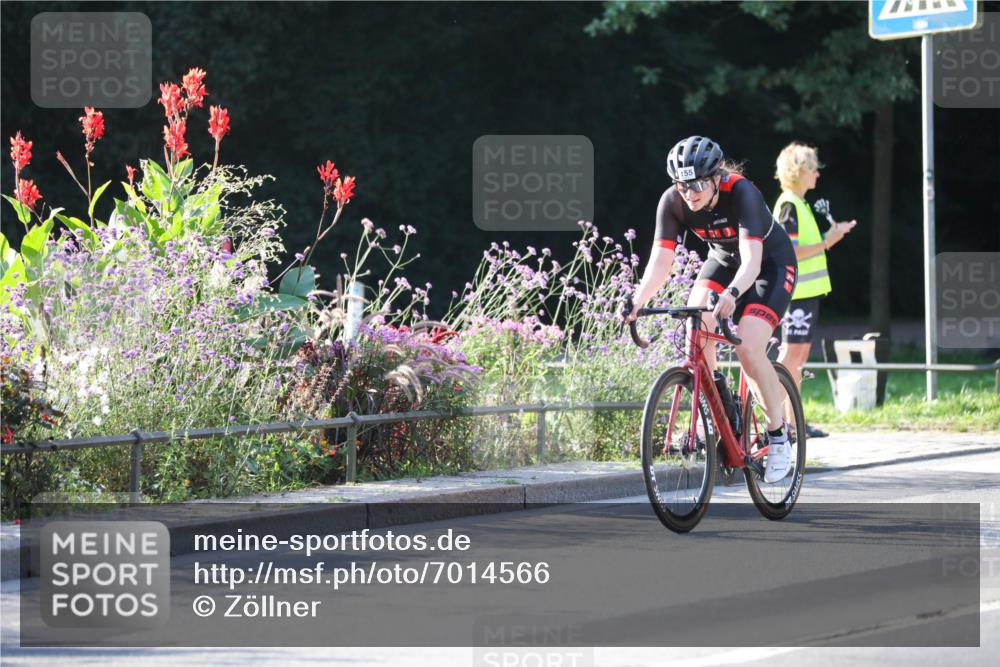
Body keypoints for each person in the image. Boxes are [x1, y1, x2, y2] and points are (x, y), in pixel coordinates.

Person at [624, 136, 798, 483]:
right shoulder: (672, 202)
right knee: (695, 321)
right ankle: (720, 401)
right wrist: (638, 299)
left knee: (749, 348)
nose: (690, 193)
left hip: (769, 266)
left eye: (699, 184)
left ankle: (779, 436)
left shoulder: (742, 192)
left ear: (717, 177)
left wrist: (733, 293)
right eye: (682, 185)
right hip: (723, 259)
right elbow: (661, 260)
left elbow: (751, 261)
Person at [772, 142, 856, 439]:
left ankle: (794, 422)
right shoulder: (789, 205)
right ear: (798, 172)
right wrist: (826, 241)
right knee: (790, 356)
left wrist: (829, 237)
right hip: (796, 294)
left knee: (798, 357)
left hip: (806, 294)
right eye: (813, 168)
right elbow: (791, 251)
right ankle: (779, 422)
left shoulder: (799, 204)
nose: (818, 174)